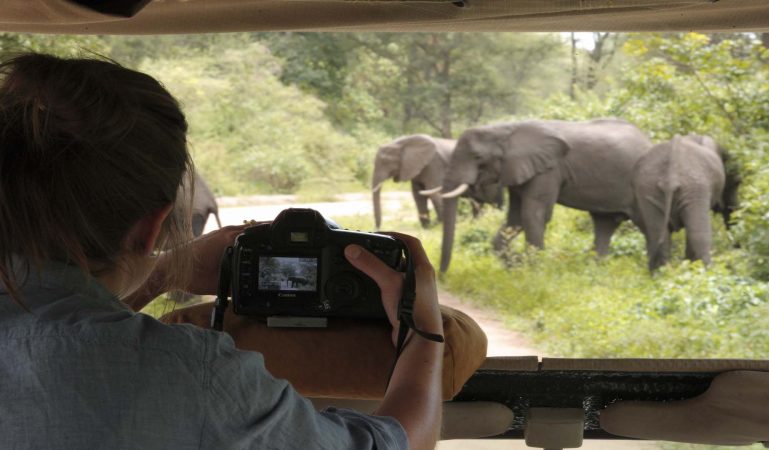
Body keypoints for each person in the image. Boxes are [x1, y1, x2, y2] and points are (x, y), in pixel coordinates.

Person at [0, 53, 444, 450]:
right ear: (154, 226)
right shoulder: (192, 375)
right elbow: (398, 444)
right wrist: (423, 331)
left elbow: (50, 316)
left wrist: (164, 273)